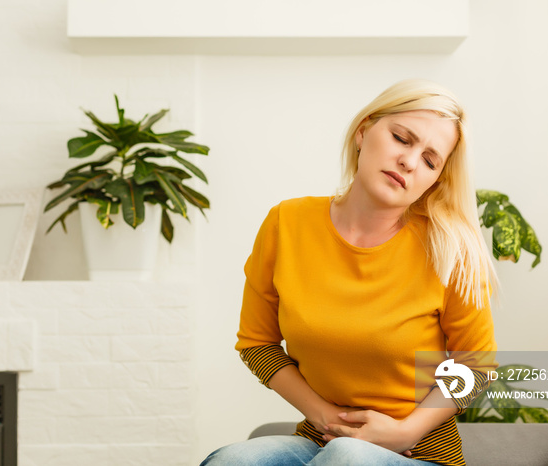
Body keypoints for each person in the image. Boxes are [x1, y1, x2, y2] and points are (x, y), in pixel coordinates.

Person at [201, 79, 498, 466]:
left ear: (434, 181)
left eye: (429, 160)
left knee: (349, 459)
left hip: (417, 454)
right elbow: (257, 343)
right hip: (322, 442)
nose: (409, 161)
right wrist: (325, 417)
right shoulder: (286, 223)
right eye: (401, 138)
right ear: (363, 131)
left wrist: (404, 432)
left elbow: (476, 363)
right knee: (230, 461)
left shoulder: (449, 249)